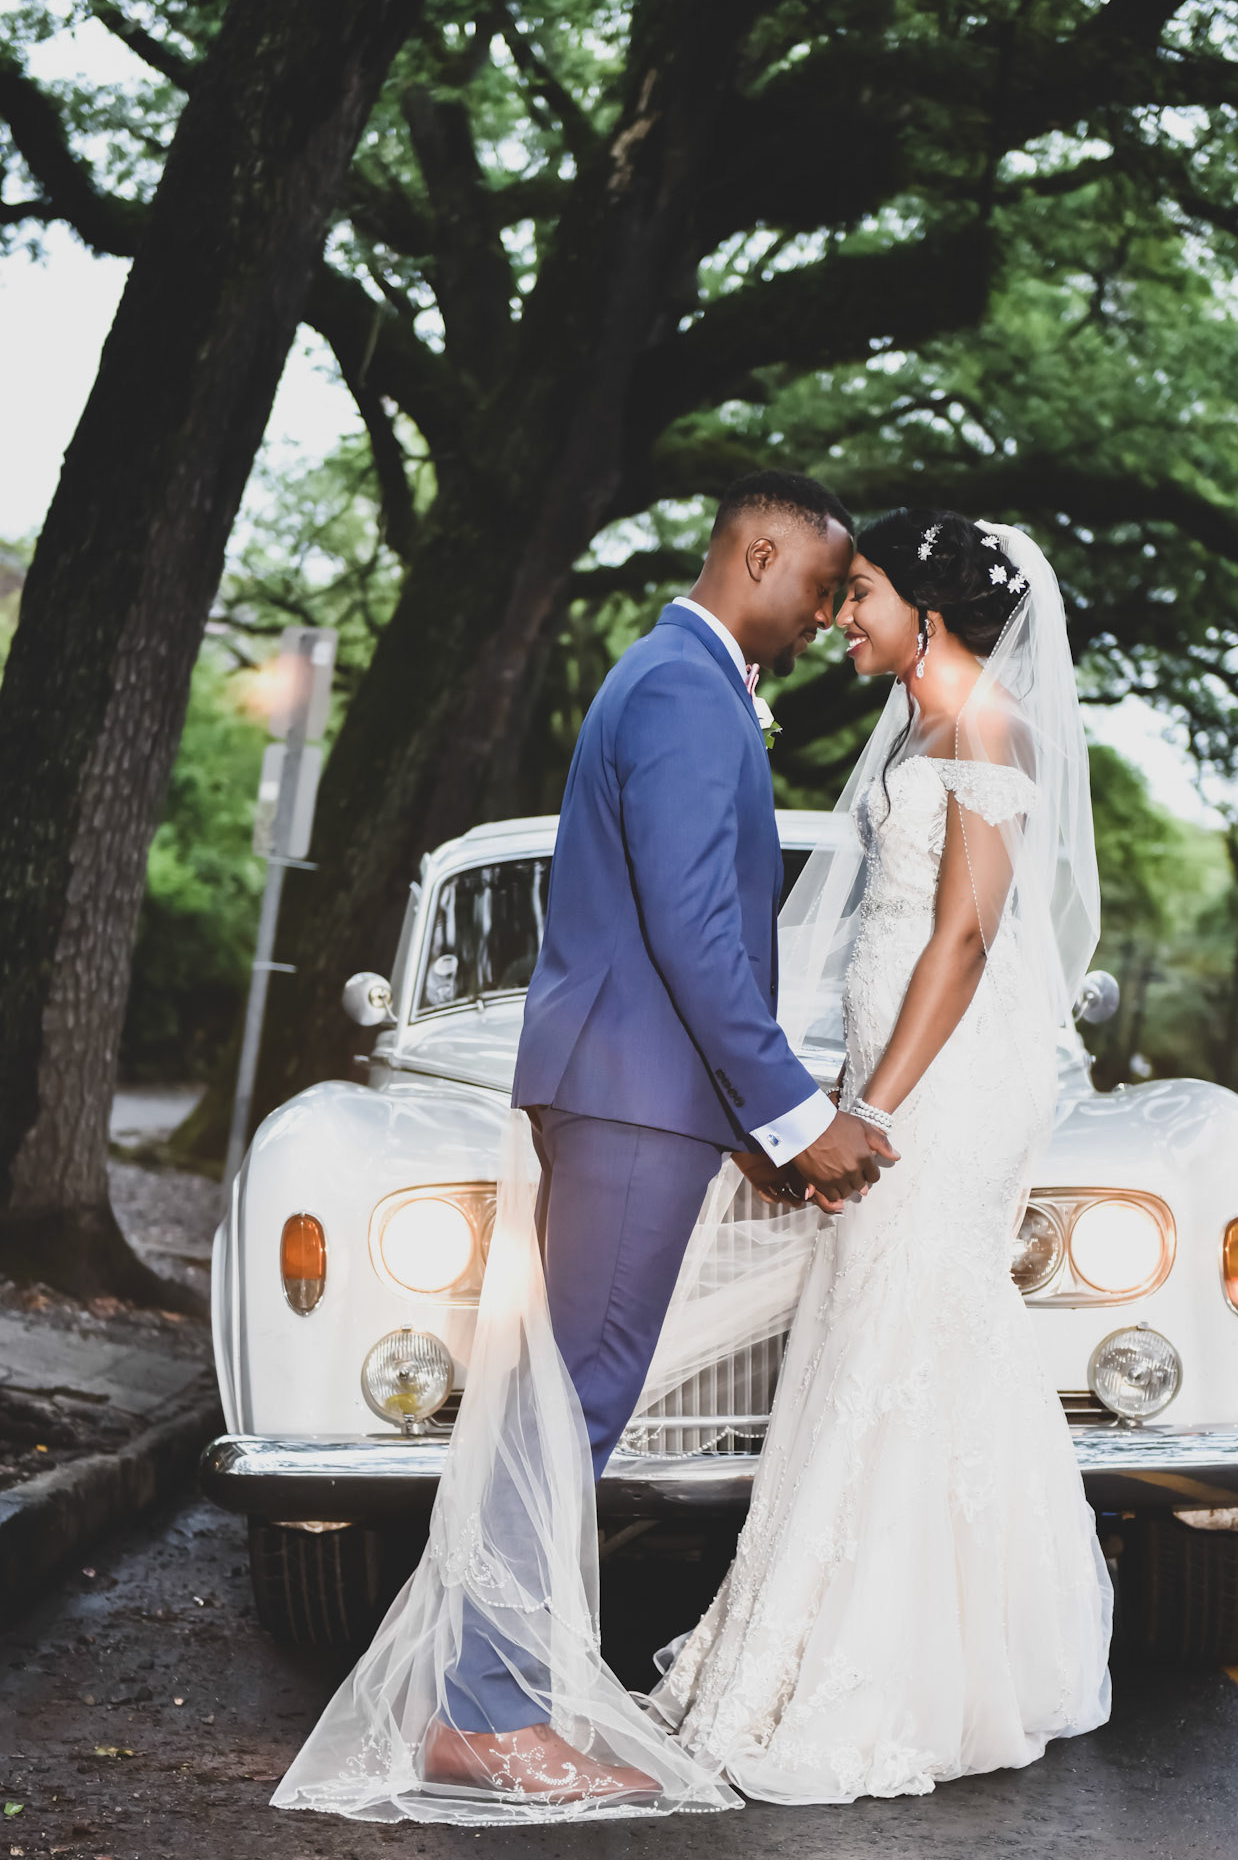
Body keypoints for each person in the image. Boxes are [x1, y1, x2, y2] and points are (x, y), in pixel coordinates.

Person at [275, 471, 893, 1822]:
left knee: (570, 1403)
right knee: (568, 1409)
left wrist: (747, 1126)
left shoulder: (684, 676)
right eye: (819, 583)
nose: (824, 611)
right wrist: (793, 1111)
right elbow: (692, 930)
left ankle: (516, 1700)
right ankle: (484, 1722)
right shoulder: (679, 687)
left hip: (641, 1093)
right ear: (761, 549)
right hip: (627, 1097)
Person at [647, 508, 1112, 1799]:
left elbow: (958, 943)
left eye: (860, 597)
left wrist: (879, 1110)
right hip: (901, 1066)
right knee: (869, 1327)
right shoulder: (916, 718)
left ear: (931, 609)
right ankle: (836, 1633)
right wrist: (844, 1089)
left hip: (949, 1080)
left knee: (902, 1316)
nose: (839, 617)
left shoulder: (981, 726)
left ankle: (889, 1668)